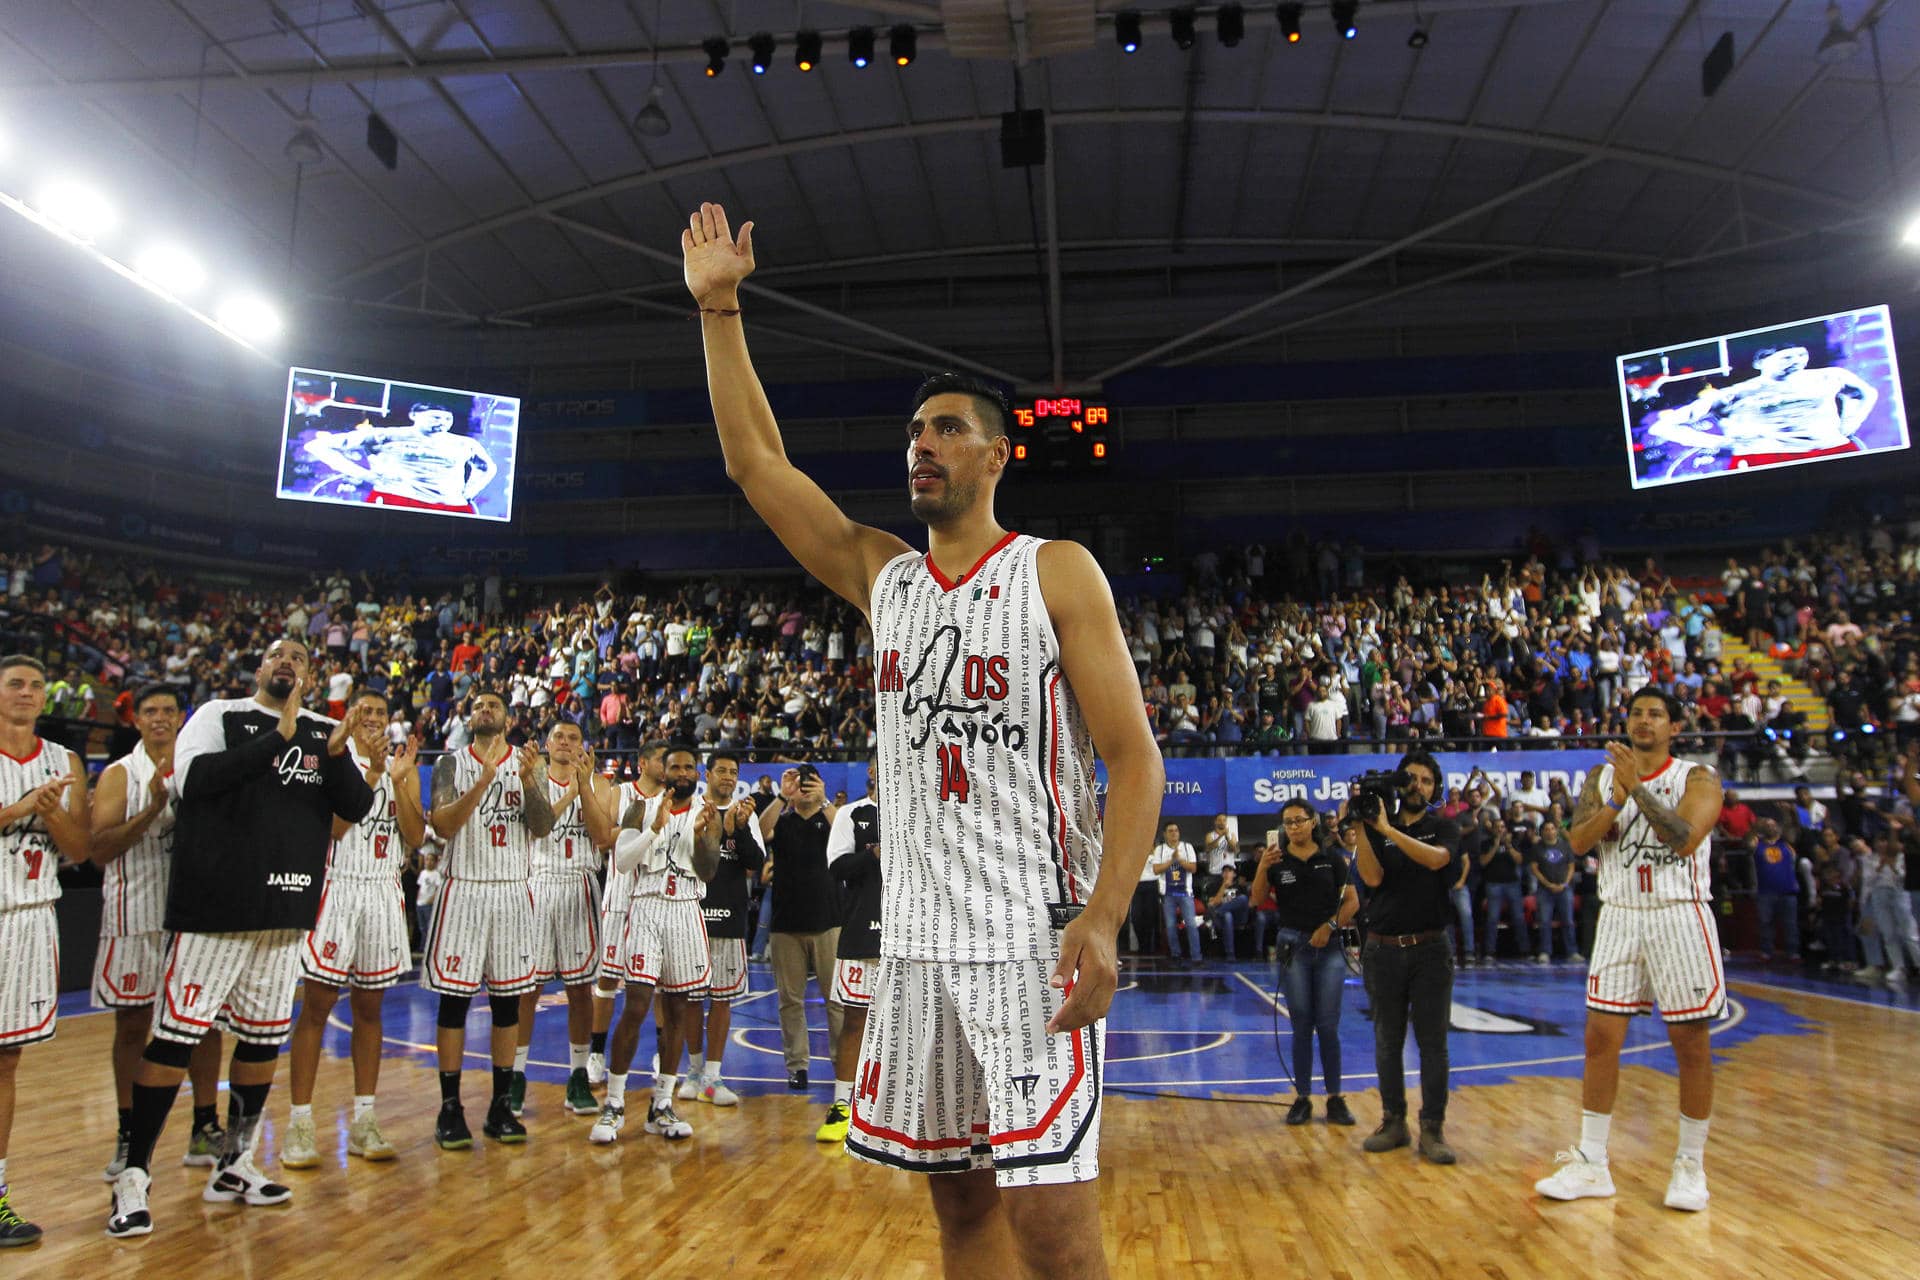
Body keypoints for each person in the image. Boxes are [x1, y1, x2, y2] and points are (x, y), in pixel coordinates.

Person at [687, 201, 1163, 1278]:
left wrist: (1104, 914)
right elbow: (759, 465)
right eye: (914, 432)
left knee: (1054, 1231)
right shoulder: (884, 577)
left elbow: (1135, 757)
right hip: (916, 944)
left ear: (997, 454)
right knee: (960, 1215)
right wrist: (719, 307)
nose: (924, 444)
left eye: (947, 428)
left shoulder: (1055, 568)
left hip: (1027, 937)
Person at [107, 640, 374, 1239]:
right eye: (277, 654)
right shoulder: (217, 716)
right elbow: (194, 783)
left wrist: (334, 756)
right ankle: (134, 1176)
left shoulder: (325, 731)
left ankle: (235, 1164)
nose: (288, 663)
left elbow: (354, 807)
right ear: (260, 668)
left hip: (286, 910)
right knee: (174, 1038)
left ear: (311, 674)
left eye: (300, 658)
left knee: (260, 1042)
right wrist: (279, 738)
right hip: (216, 907)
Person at [1534, 687, 1725, 1213]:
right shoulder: (1601, 778)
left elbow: (1683, 838)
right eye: (1637, 713)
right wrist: (1616, 797)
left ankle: (1690, 1165)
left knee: (1690, 1044)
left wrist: (1636, 789)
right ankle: (1592, 1162)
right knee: (1599, 1040)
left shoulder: (1697, 777)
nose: (1644, 721)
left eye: (1656, 714)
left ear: (1674, 727)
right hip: (1619, 912)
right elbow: (1577, 843)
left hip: (1677, 913)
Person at [281, 690, 425, 1169]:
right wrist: (376, 774)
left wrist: (401, 783)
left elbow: (414, 835)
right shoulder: (332, 758)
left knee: (370, 1008)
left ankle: (365, 1119)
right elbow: (338, 827)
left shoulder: (401, 765)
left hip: (384, 890)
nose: (373, 719)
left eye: (380, 713)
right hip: (338, 886)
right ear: (349, 717)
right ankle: (299, 1122)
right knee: (317, 1006)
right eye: (364, 712)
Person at [88, 683, 226, 1181]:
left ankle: (204, 1125)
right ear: (137, 720)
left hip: (190, 914)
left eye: (170, 710)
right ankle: (128, 1133)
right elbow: (97, 850)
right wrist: (150, 810)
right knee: (132, 1027)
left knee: (204, 1024)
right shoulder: (119, 775)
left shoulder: (199, 766)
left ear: (182, 717)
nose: (161, 718)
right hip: (134, 915)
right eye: (151, 711)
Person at [423, 690, 562, 1150]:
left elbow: (542, 827)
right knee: (454, 1004)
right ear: (470, 715)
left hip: (512, 891)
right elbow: (442, 826)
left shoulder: (529, 762)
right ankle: (450, 1108)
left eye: (494, 705)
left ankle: (501, 1105)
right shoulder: (450, 764)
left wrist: (528, 782)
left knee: (507, 1006)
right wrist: (482, 783)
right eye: (479, 704)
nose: (486, 709)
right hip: (463, 887)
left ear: (507, 717)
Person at [0, 655, 89, 1245]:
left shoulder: (66, 762)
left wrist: (53, 815)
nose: (27, 693)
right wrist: (18, 808)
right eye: (14, 684)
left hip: (31, 919)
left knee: (5, 1063)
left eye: (35, 685)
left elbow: (80, 849)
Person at [591, 745, 719, 1144]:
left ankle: (661, 1104)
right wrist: (654, 828)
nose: (682, 772)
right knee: (637, 1004)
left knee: (680, 1012)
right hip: (645, 906)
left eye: (689, 766)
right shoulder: (638, 808)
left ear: (697, 773)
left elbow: (709, 870)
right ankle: (613, 1103)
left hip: (685, 909)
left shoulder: (707, 811)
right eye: (675, 765)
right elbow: (624, 861)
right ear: (663, 770)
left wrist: (700, 837)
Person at [1350, 750, 1462, 1164]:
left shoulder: (1443, 827)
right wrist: (1364, 827)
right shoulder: (1379, 827)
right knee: (1387, 1041)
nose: (1418, 785)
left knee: (1433, 1044)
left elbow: (1436, 861)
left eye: (1426, 780)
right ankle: (1393, 1121)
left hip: (1431, 948)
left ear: (1435, 788)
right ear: (1399, 784)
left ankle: (1432, 1128)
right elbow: (1372, 878)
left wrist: (1386, 829)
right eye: (1411, 778)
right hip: (1382, 948)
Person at [514, 721, 616, 1119]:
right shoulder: (531, 778)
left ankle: (577, 1077)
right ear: (546, 744)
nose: (566, 743)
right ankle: (516, 1076)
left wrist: (583, 789)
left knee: (579, 990)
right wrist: (568, 794)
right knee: (528, 989)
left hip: (580, 882)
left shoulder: (600, 784)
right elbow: (535, 829)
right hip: (538, 883)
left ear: (582, 747)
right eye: (559, 737)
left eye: (574, 738)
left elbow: (603, 837)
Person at [1250, 799, 1358, 1127]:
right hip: (1292, 946)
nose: (1294, 827)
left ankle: (1336, 1099)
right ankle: (1302, 1098)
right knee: (1301, 1025)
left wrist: (1330, 926)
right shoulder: (1277, 863)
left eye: (1299, 820)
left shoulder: (1334, 859)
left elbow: (1352, 901)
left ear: (1313, 822)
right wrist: (1261, 867)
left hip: (1329, 948)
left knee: (1328, 1025)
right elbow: (1256, 900)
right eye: (1288, 822)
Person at [677, 750, 762, 1108]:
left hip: (729, 916)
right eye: (722, 771)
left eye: (734, 772)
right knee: (690, 999)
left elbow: (755, 864)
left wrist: (738, 831)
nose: (728, 777)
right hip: (690, 915)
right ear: (707, 774)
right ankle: (694, 1071)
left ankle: (713, 1074)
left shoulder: (745, 814)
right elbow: (682, 856)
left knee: (722, 998)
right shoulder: (690, 809)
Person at [1644, 343, 1880, 469]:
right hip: (1765, 457)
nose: (1796, 361)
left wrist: (1850, 424)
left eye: (1800, 355)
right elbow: (1662, 427)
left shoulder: (1830, 376)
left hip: (1832, 449)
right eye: (1787, 357)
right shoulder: (1735, 394)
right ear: (1761, 362)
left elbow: (1865, 393)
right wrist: (1719, 443)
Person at [758, 765, 843, 1089]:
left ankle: (842, 1065)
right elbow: (759, 831)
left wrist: (823, 801)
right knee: (789, 1001)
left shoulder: (831, 817)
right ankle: (797, 1067)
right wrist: (783, 795)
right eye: (800, 782)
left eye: (811, 782)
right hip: (786, 925)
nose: (804, 788)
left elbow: (844, 834)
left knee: (835, 1000)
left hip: (828, 923)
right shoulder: (782, 820)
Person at [590, 740, 666, 1083]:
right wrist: (644, 828)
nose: (667, 766)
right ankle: (595, 1053)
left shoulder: (677, 797)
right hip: (620, 894)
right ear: (643, 762)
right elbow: (603, 838)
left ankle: (663, 1055)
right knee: (608, 979)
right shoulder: (620, 793)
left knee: (664, 983)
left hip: (659, 894)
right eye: (662, 760)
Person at [818, 759, 882, 1143]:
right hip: (861, 933)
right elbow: (837, 868)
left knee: (916, 1028)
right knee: (855, 1023)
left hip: (911, 938)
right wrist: (871, 855)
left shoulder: (919, 809)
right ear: (871, 771)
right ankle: (843, 1104)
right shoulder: (851, 814)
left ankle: (901, 1109)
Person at [303, 401, 499, 514]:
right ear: (415, 415)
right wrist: (364, 475)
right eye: (436, 417)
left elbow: (487, 468)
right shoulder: (385, 435)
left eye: (447, 418)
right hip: (396, 499)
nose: (442, 422)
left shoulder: (465, 443)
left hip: (451, 506)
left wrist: (469, 491)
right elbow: (317, 446)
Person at [1750, 817, 1802, 963]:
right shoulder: (1757, 844)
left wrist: (1785, 815)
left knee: (1790, 924)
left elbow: (1791, 833)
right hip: (1765, 891)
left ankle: (1793, 952)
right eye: (1767, 825)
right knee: (1765, 923)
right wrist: (1755, 827)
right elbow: (1747, 843)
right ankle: (1766, 951)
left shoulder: (1786, 844)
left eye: (1773, 825)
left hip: (1788, 891)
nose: (1770, 827)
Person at [1529, 821, 1579, 963]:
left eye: (1552, 829)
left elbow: (1571, 866)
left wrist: (1564, 883)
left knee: (1568, 921)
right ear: (1542, 832)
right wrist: (1548, 884)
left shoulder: (1565, 845)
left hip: (1564, 889)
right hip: (1545, 890)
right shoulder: (1537, 848)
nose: (1550, 831)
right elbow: (1534, 868)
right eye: (1546, 829)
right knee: (1544, 922)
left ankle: (1572, 952)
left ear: (1556, 831)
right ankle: (1545, 952)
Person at [1151, 822, 1201, 964]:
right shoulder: (1160, 850)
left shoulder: (1187, 847)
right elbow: (1156, 869)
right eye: (1170, 831)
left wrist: (1180, 860)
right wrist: (1171, 860)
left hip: (1185, 892)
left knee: (1191, 924)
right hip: (1168, 894)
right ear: (1165, 834)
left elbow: (1193, 868)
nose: (1174, 833)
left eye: (1176, 830)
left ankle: (1196, 956)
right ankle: (1175, 954)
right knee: (1171, 925)